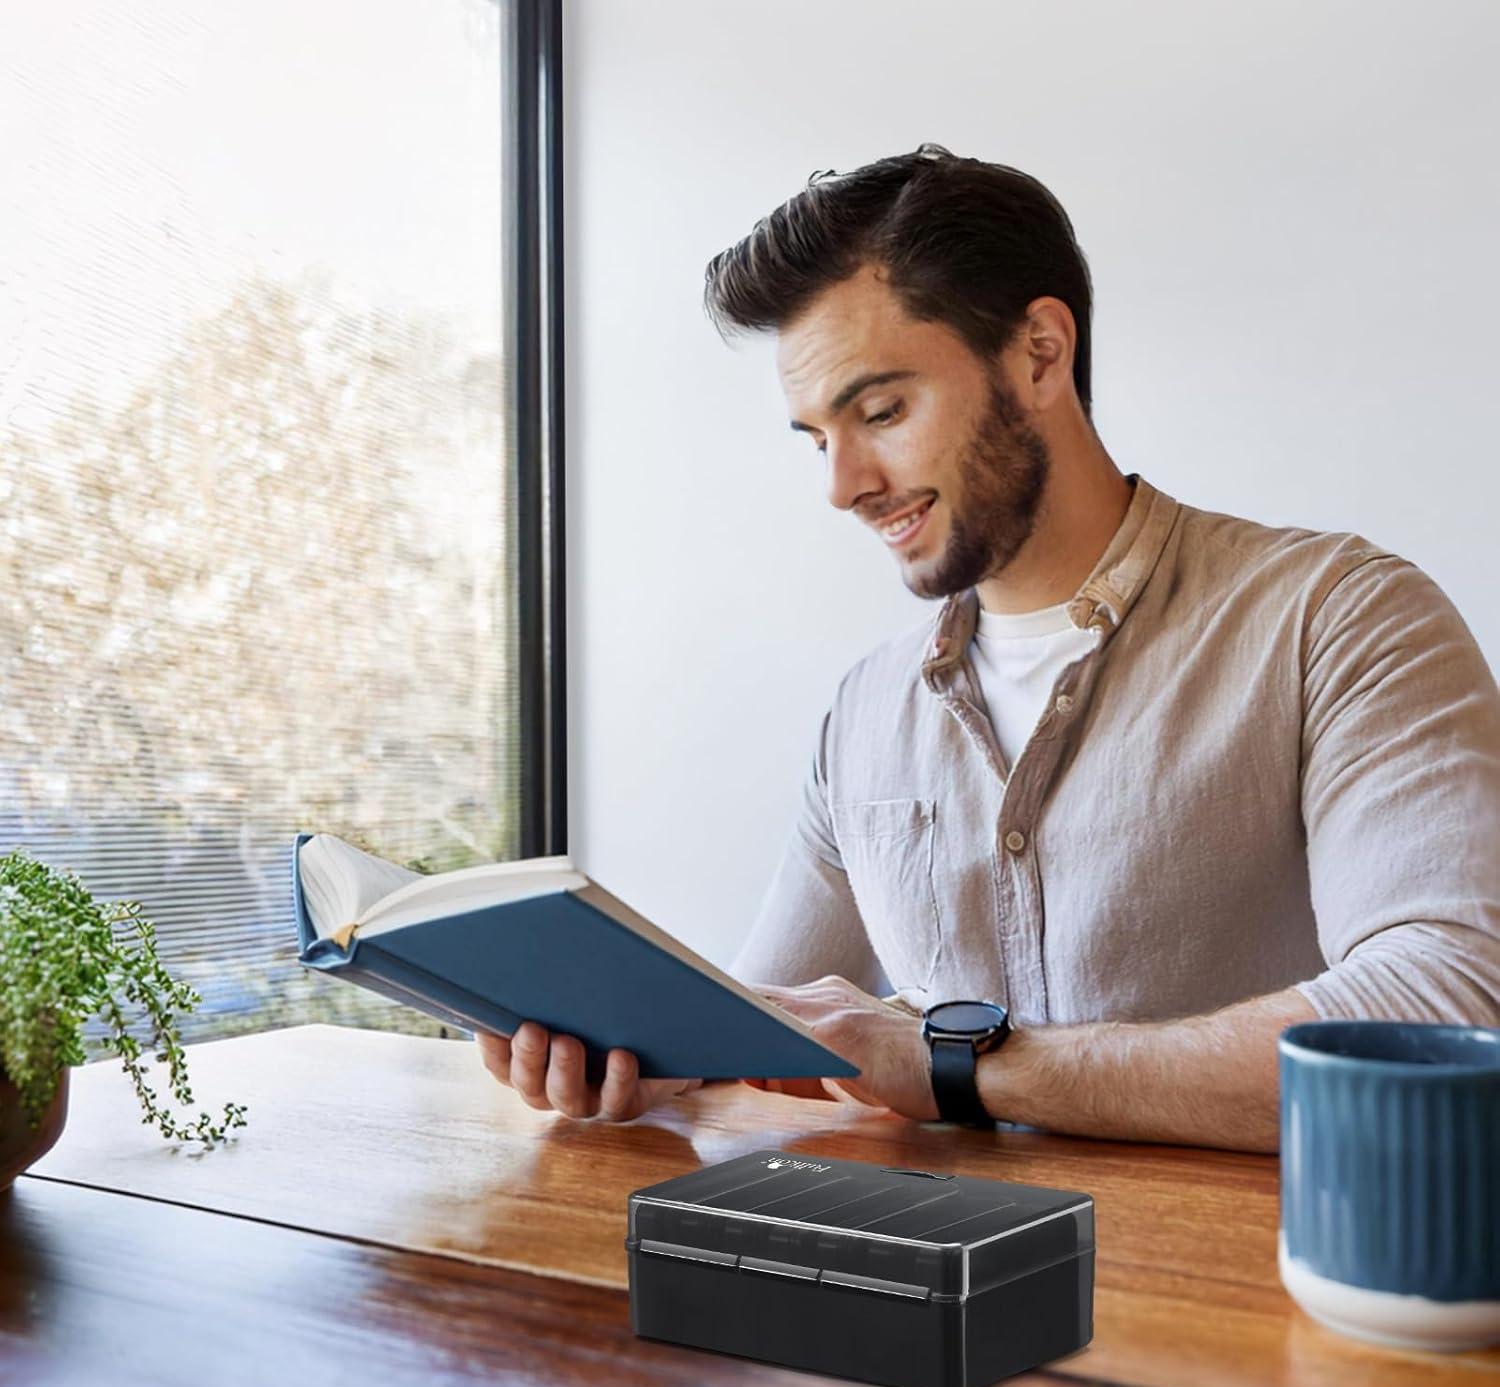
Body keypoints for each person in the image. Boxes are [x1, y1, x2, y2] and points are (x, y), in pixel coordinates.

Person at [476, 143, 1500, 1150]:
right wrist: (631, 1054)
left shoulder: (1342, 619)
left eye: (881, 410)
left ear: (1040, 353)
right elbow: (771, 1026)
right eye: (818, 438)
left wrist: (954, 1064)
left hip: (1245, 1305)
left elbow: (1449, 1011)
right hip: (945, 1297)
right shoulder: (865, 712)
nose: (844, 485)